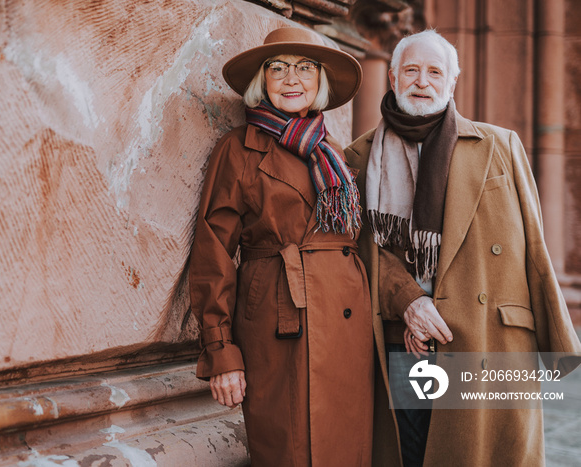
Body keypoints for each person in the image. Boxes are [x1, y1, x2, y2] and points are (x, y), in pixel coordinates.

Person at [345, 29, 581, 467]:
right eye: (411, 70)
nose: (422, 81)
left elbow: (534, 246)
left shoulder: (500, 144)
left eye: (435, 72)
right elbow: (362, 250)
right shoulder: (358, 158)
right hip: (408, 337)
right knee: (416, 454)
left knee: (487, 455)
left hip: (489, 336)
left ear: (453, 83)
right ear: (393, 78)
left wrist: (558, 337)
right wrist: (410, 302)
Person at [188, 27, 372, 466]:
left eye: (305, 68)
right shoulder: (238, 149)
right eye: (279, 68)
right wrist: (220, 350)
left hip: (348, 323)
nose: (293, 79)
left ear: (320, 81)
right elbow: (212, 251)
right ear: (262, 81)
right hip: (279, 320)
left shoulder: (336, 156)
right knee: (290, 450)